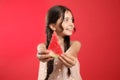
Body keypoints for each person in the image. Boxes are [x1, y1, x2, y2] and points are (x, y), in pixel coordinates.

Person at [37, 5, 82, 80]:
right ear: (53, 26)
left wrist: (70, 58)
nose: (72, 24)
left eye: (72, 20)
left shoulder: (75, 44)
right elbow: (41, 49)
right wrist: (41, 53)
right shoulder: (43, 46)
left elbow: (73, 51)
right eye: (66, 20)